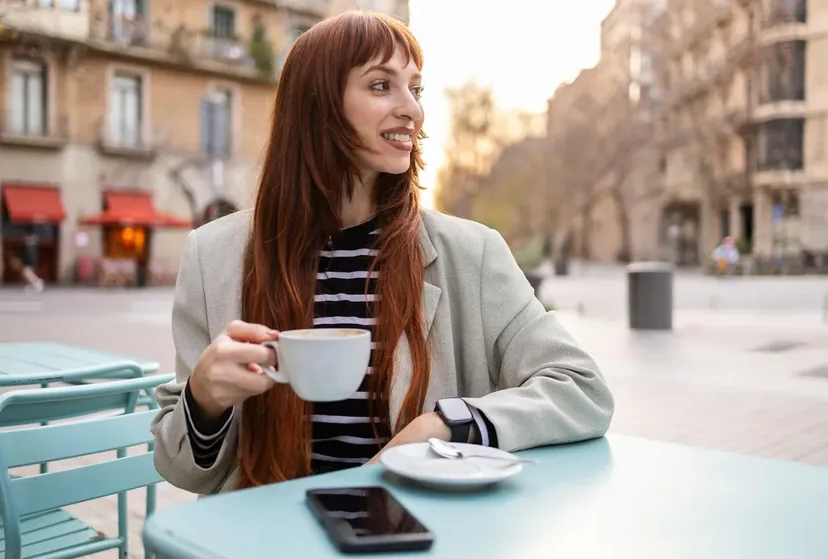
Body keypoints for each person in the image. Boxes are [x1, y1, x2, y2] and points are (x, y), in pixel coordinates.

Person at [151, 11, 614, 495]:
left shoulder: (471, 254)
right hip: (263, 531)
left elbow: (581, 387)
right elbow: (183, 470)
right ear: (317, 105)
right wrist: (203, 399)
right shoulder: (214, 256)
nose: (412, 109)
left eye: (415, 88)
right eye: (380, 86)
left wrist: (445, 426)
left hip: (415, 528)